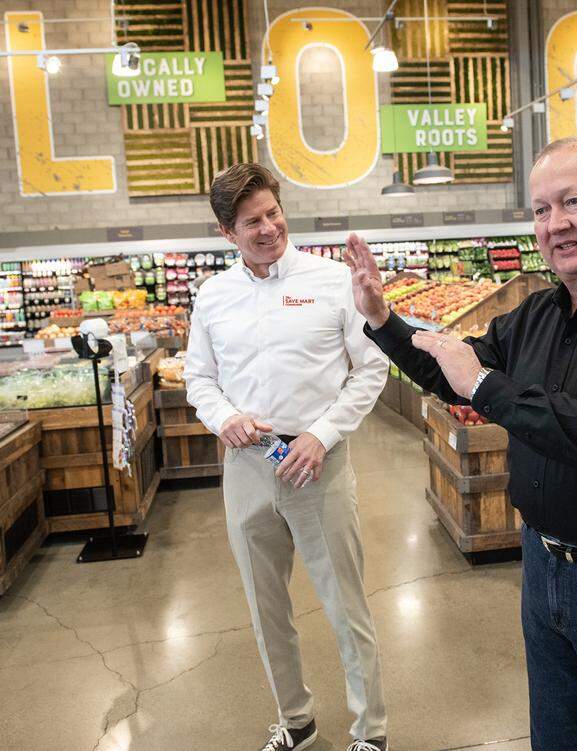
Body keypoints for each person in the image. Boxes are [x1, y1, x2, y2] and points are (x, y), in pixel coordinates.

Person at [343, 138, 577, 751]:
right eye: (542, 210)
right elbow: (454, 369)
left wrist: (490, 387)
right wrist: (383, 321)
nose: (556, 224)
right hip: (546, 568)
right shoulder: (534, 316)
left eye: (573, 201)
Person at [184, 163, 391, 751]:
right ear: (228, 232)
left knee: (345, 606)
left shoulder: (330, 281)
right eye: (252, 222)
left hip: (319, 466)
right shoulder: (214, 296)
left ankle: (370, 732)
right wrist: (226, 417)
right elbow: (199, 378)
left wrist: (322, 433)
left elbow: (371, 366)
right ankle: (296, 720)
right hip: (248, 467)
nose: (269, 228)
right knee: (264, 607)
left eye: (273, 213)